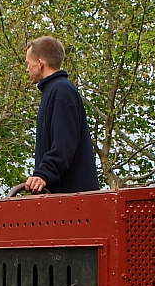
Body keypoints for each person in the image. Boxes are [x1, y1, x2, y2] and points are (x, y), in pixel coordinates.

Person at [22, 36, 99, 195]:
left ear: (40, 63)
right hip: (64, 196)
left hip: (71, 197)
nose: (27, 69)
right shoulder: (55, 90)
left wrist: (43, 174)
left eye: (28, 63)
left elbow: (64, 143)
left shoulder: (61, 91)